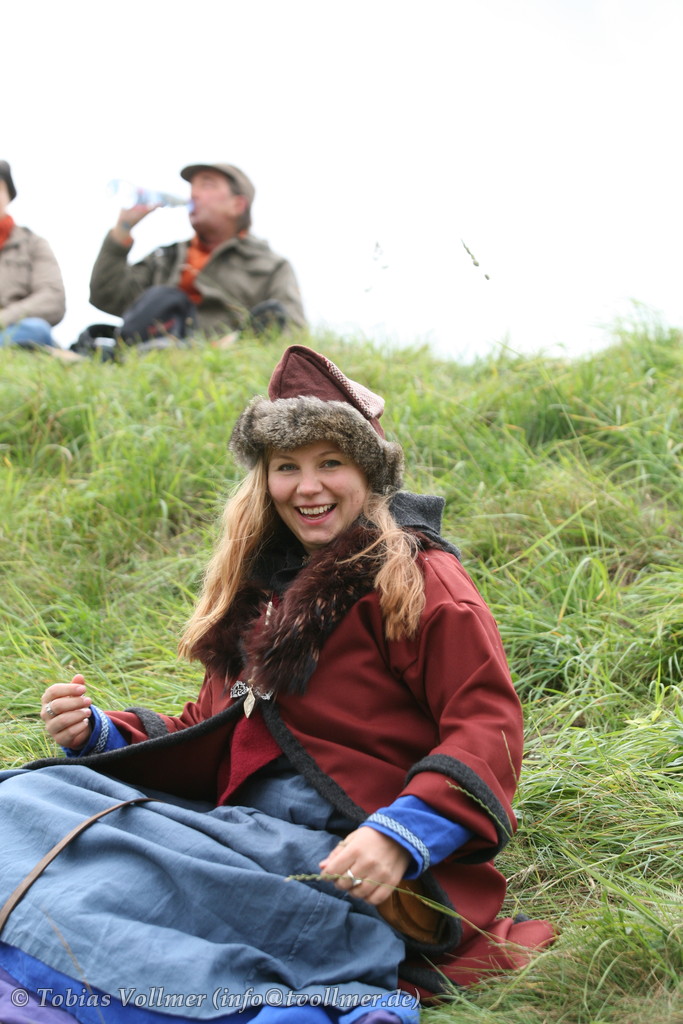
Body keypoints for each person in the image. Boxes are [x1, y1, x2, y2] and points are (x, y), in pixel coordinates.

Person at [0, 345, 554, 1023]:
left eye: (330, 463)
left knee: (111, 876)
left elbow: (486, 725)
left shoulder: (417, 578)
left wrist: (398, 835)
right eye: (287, 466)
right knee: (21, 797)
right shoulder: (259, 591)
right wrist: (98, 733)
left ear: (369, 472)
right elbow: (213, 729)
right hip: (237, 832)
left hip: (346, 854)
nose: (307, 486)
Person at [85, 162, 306, 351]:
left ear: (237, 205)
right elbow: (106, 296)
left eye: (207, 185)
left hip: (222, 356)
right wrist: (123, 228)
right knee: (161, 299)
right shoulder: (166, 257)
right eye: (192, 187)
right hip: (149, 352)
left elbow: (291, 332)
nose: (193, 194)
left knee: (271, 314)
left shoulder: (271, 266)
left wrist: (238, 344)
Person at [0, 160, 66, 350]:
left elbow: (52, 298)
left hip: (10, 330)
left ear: (8, 195)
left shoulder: (33, 245)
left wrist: (4, 318)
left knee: (37, 330)